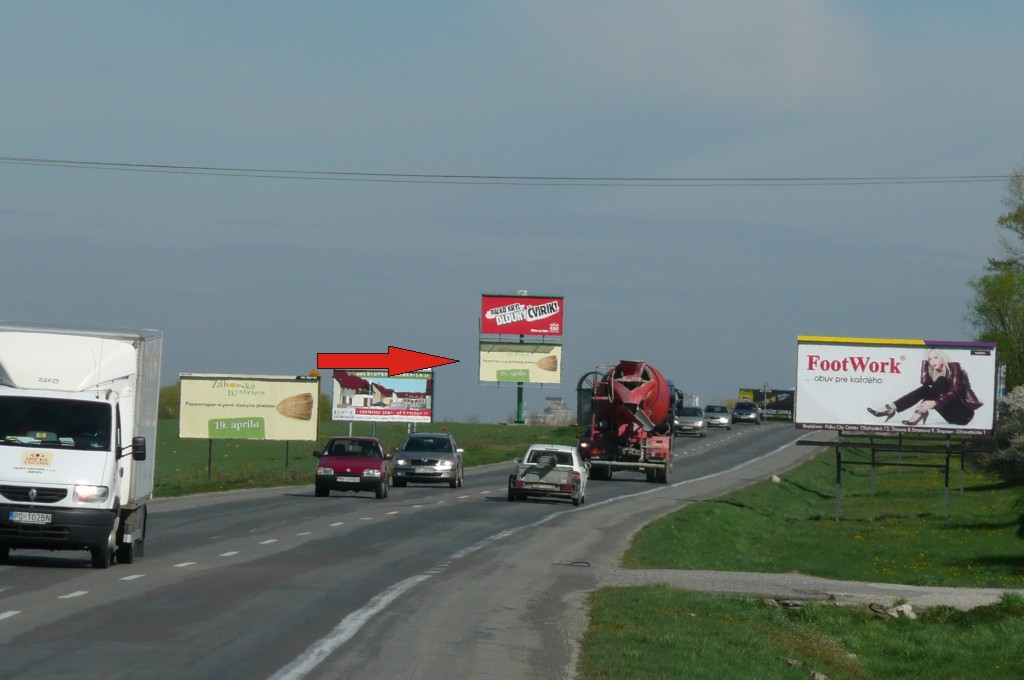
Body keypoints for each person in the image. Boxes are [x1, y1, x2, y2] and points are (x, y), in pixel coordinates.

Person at [867, 348, 982, 426]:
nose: (932, 361)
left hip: (964, 414)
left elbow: (955, 390)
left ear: (943, 357)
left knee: (941, 380)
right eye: (929, 359)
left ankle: (910, 411)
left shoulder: (955, 367)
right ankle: (892, 407)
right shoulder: (933, 370)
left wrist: (934, 402)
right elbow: (925, 383)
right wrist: (925, 363)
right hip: (949, 416)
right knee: (927, 389)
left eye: (935, 357)